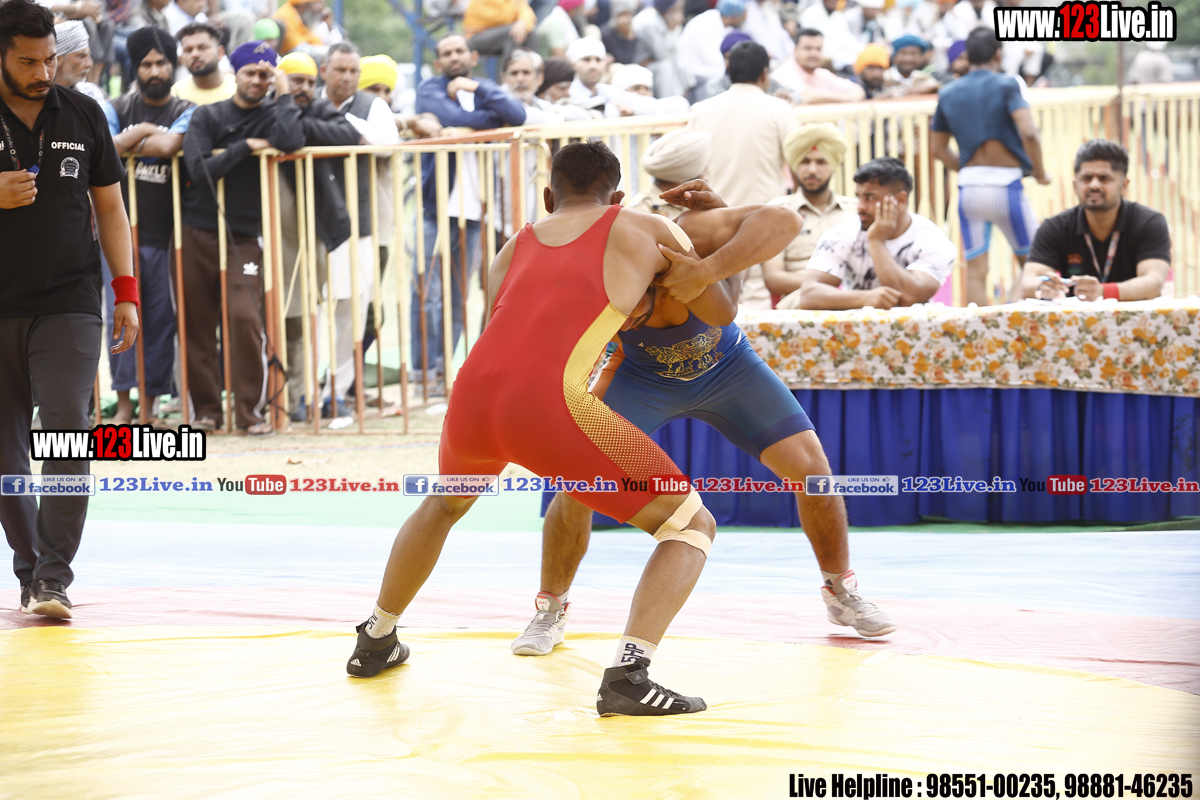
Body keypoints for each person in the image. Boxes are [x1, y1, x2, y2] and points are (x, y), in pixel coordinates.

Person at [346, 142, 726, 717]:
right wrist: (710, 238)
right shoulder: (644, 226)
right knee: (690, 525)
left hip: (474, 395)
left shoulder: (512, 245)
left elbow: (508, 323)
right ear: (618, 198)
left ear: (549, 197)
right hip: (549, 401)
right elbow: (720, 311)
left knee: (444, 504)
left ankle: (376, 637)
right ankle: (629, 676)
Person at [509, 175, 897, 657]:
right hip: (641, 377)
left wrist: (709, 264)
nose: (625, 317)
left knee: (813, 472)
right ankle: (550, 609)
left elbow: (783, 219)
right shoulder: (587, 267)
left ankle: (840, 590)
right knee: (576, 484)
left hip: (728, 367)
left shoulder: (680, 238)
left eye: (632, 308)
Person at [0, 0, 135, 619]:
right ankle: (30, 568)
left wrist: (126, 292)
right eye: (28, 62)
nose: (43, 72)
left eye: (49, 59)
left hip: (69, 301)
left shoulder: (82, 112)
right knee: (5, 453)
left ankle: (54, 576)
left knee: (65, 427)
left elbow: (110, 207)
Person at [180, 40, 304, 434]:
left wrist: (284, 94)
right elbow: (199, 170)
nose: (257, 80)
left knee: (245, 316)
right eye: (250, 72)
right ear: (236, 73)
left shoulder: (274, 113)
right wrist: (245, 147)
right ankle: (207, 412)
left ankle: (249, 412)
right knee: (197, 324)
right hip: (196, 230)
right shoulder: (208, 114)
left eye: (266, 74)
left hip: (246, 236)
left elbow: (291, 141)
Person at [413, 34, 526, 393]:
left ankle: (445, 372)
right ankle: (423, 373)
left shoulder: (483, 89)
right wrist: (487, 121)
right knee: (428, 294)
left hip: (474, 211)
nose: (454, 57)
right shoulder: (430, 88)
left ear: (473, 56)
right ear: (438, 62)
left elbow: (517, 115)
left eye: (459, 51)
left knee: (458, 296)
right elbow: (451, 116)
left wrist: (477, 88)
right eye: (446, 53)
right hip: (434, 210)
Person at [106, 26, 195, 425]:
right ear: (135, 68)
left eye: (161, 63)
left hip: (165, 235)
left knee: (159, 321)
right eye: (146, 64)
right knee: (118, 316)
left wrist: (130, 142)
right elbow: (105, 149)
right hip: (118, 235)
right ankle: (123, 404)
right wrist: (143, 130)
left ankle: (150, 408)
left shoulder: (187, 109)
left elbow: (170, 146)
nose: (154, 71)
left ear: (172, 65)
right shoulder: (115, 107)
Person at [930, 27, 1048, 305]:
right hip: (1007, 187)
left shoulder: (948, 92)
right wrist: (1040, 173)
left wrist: (966, 169)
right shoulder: (1008, 84)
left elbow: (938, 149)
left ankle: (982, 330)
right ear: (998, 54)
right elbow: (1029, 132)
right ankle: (1012, 313)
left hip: (969, 190)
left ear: (968, 56)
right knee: (1035, 263)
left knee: (975, 271)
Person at [689, 41, 796, 309]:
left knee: (724, 293)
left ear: (728, 69)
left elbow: (693, 167)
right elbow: (799, 160)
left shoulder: (701, 110)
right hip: (766, 216)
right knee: (758, 297)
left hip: (717, 220)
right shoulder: (779, 109)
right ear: (764, 74)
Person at [1019, 140, 1170, 302]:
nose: (1094, 185)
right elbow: (1028, 282)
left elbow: (1153, 283)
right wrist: (1042, 287)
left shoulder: (1149, 223)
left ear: (1124, 185)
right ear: (1075, 185)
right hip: (1075, 318)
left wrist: (1103, 292)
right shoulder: (1055, 227)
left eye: (1104, 178)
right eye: (1086, 178)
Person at [799, 158, 955, 310]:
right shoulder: (841, 234)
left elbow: (910, 297)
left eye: (870, 198)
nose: (860, 207)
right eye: (859, 197)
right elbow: (808, 295)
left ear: (900, 199)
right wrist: (865, 298)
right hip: (855, 326)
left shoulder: (933, 241)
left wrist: (876, 242)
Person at [765, 125, 858, 309]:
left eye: (821, 162)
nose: (812, 170)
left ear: (833, 165)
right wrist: (827, 287)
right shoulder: (778, 211)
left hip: (851, 303)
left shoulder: (854, 211)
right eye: (804, 161)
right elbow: (773, 278)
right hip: (799, 306)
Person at [625, 128, 711, 216]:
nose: (706, 178)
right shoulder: (640, 210)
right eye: (701, 171)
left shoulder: (700, 204)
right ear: (682, 176)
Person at [52, 20, 118, 134]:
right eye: (82, 56)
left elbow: (104, 136)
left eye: (89, 56)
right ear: (59, 59)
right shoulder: (40, 97)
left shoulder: (90, 92)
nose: (89, 64)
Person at [566, 36, 657, 117]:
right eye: (586, 60)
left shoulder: (610, 92)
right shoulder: (566, 94)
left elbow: (652, 104)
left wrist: (631, 109)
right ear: (573, 64)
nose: (593, 65)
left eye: (598, 60)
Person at [771, 29, 866, 104]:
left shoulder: (822, 74)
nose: (814, 53)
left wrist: (845, 97)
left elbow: (858, 90)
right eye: (808, 48)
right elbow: (805, 96)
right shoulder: (783, 73)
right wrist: (845, 97)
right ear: (795, 50)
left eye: (818, 49)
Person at [703, 30, 800, 102]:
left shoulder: (768, 81)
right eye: (728, 57)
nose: (738, 62)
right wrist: (772, 101)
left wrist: (787, 98)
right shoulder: (717, 85)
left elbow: (797, 97)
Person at [676, 0, 746, 97]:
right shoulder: (707, 23)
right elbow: (712, 58)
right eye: (743, 14)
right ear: (732, 17)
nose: (745, 16)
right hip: (692, 72)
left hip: (706, 69)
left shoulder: (722, 23)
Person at [633, 0, 691, 99]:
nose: (681, 12)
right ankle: (667, 103)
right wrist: (671, 28)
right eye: (677, 9)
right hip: (644, 67)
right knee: (666, 66)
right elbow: (661, 54)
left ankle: (682, 101)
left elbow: (675, 54)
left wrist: (672, 28)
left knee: (681, 66)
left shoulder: (667, 23)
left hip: (659, 63)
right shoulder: (649, 24)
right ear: (668, 10)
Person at [172, 22, 237, 105]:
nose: (195, 54)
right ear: (182, 58)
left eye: (202, 48)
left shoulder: (238, 89)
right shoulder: (176, 94)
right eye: (188, 50)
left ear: (220, 53)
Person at [464, 0, 538, 64]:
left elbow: (528, 12)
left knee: (530, 30)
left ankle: (533, 68)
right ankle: (511, 71)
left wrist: (522, 23)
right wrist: (518, 20)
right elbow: (499, 18)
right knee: (512, 32)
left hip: (501, 34)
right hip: (477, 36)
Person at [796, 0, 859, 71]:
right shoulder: (810, 14)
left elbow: (848, 39)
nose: (833, 3)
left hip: (838, 56)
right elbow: (807, 40)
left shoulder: (839, 16)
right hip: (819, 56)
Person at [271, 0, 341, 57]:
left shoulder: (305, 19)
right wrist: (333, 52)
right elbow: (298, 50)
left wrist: (329, 26)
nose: (319, 7)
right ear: (303, 4)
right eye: (316, 3)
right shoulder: (284, 16)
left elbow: (316, 43)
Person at [600, 0, 644, 65]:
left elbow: (639, 56)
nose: (627, 19)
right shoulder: (607, 32)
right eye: (623, 15)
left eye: (629, 14)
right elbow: (625, 60)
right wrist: (628, 36)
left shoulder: (635, 29)